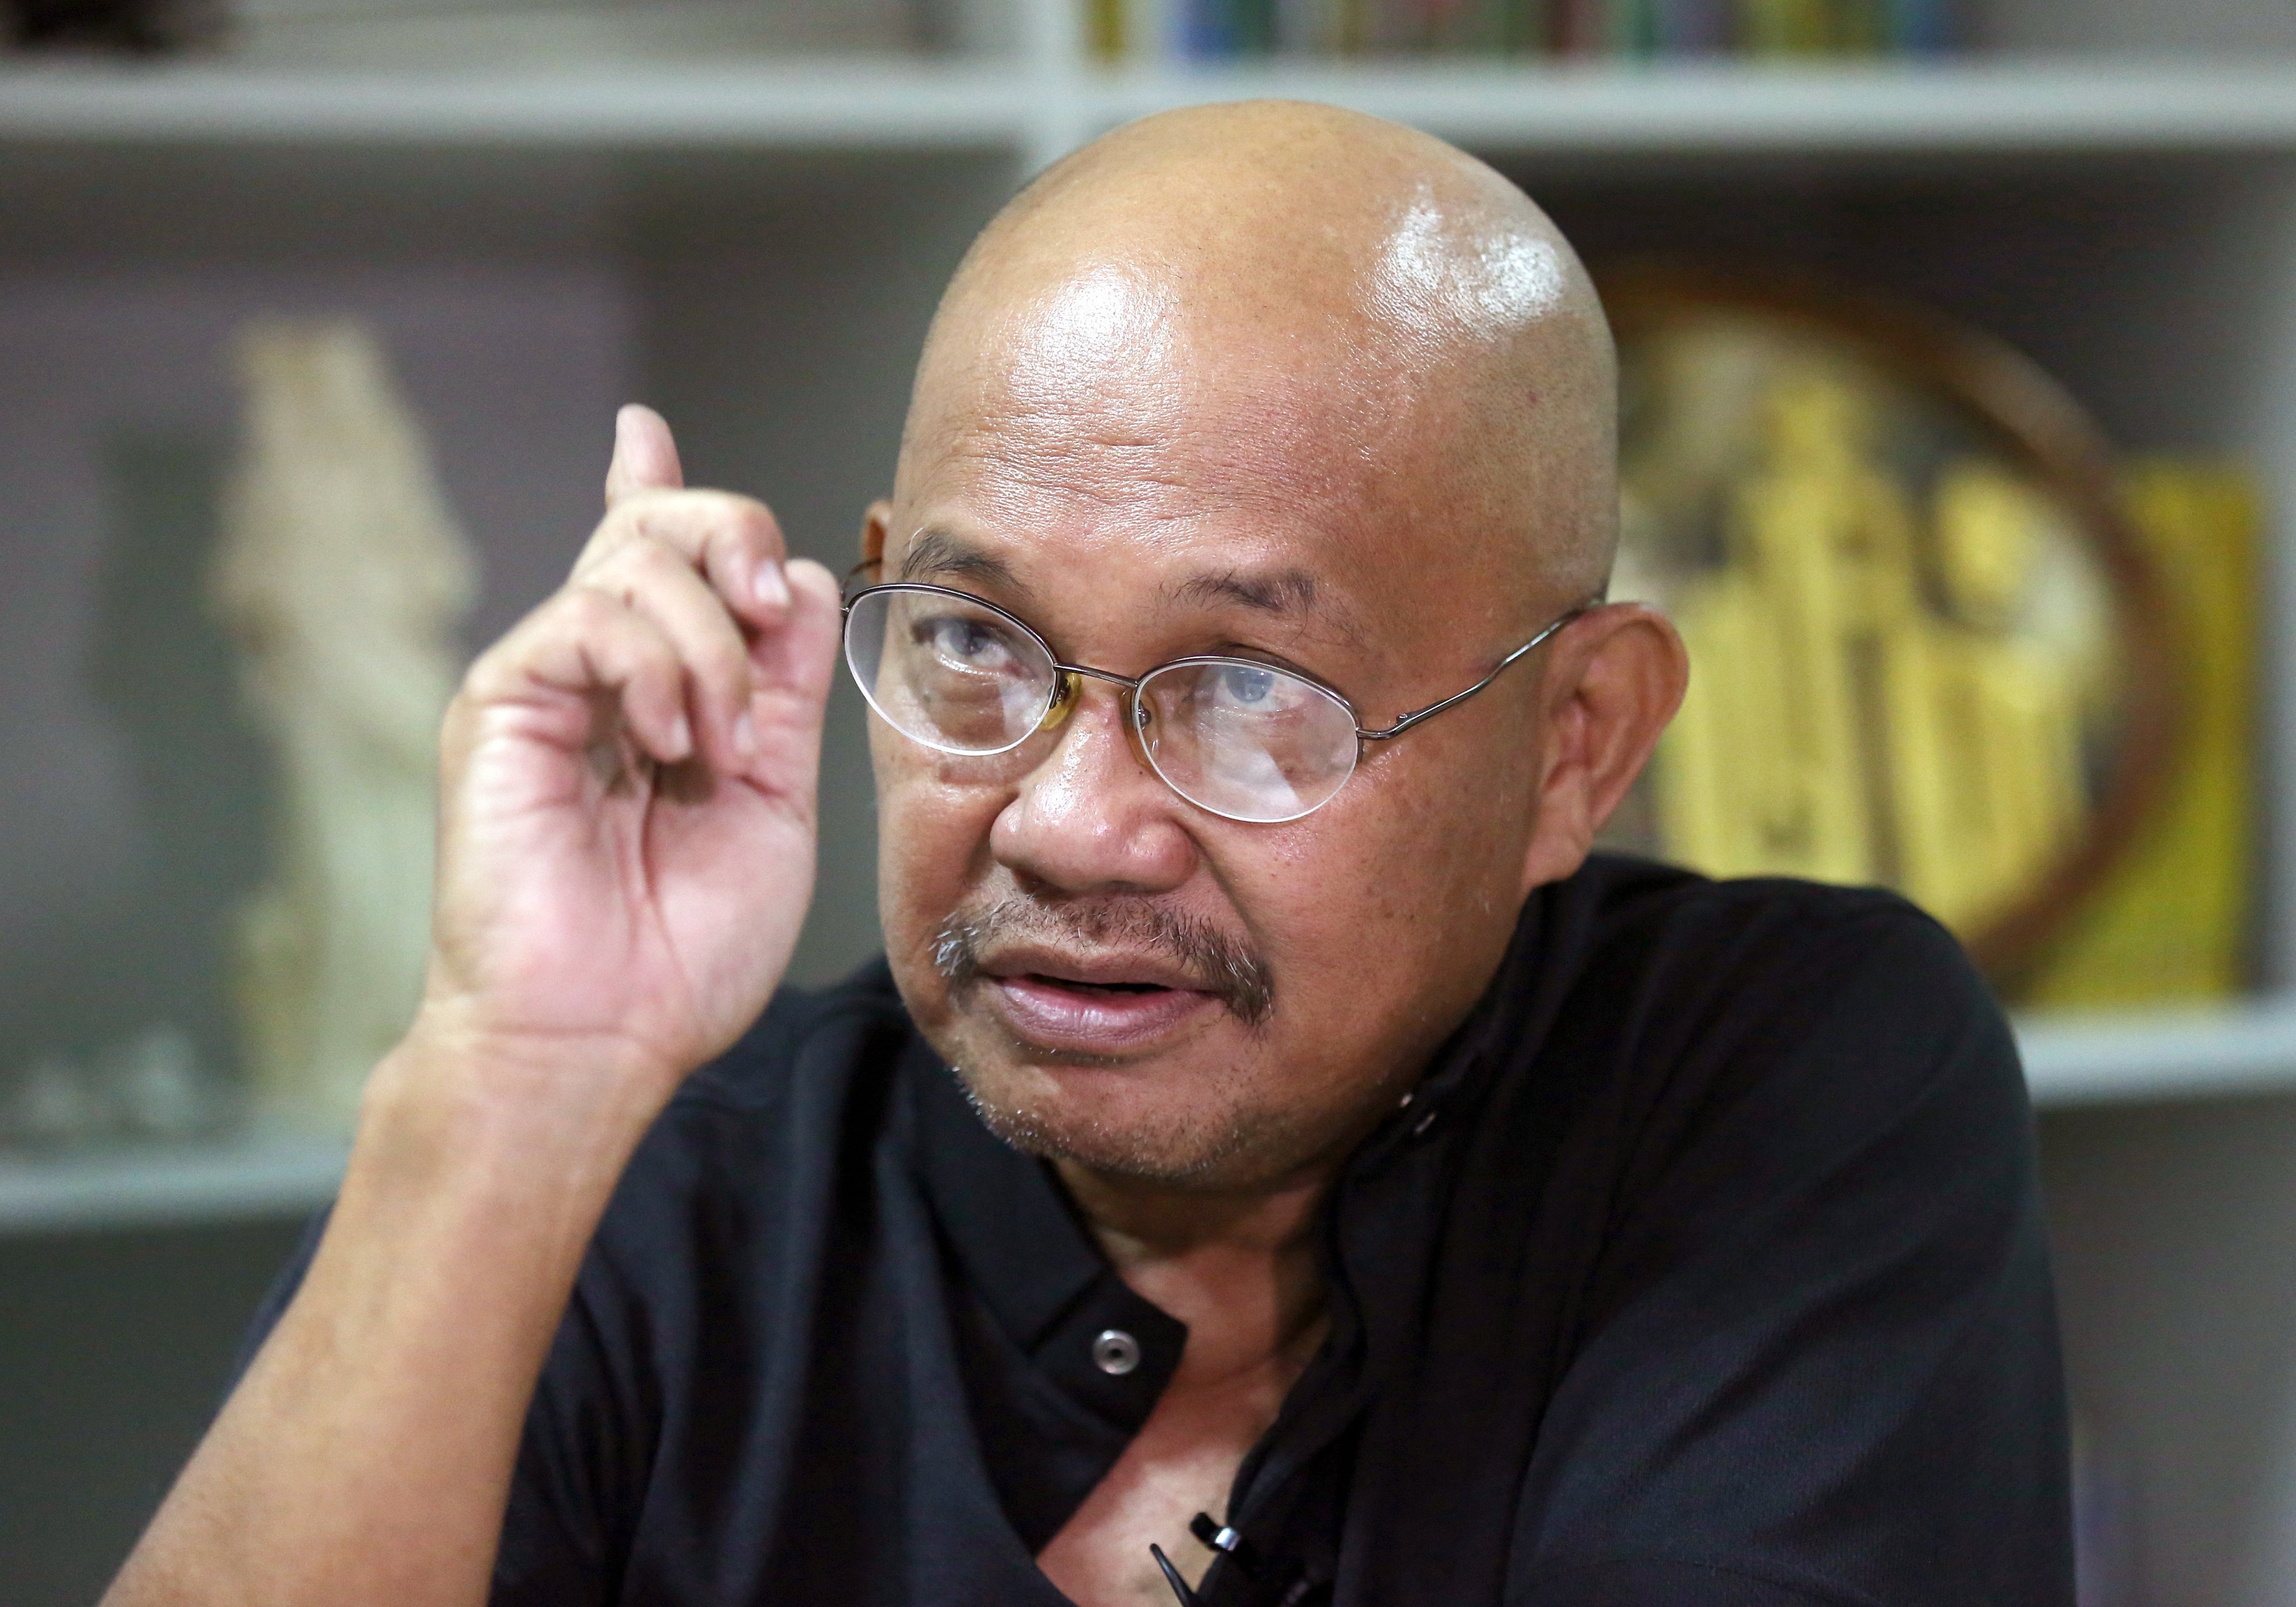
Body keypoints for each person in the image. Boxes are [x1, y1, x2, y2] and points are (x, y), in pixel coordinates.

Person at [104, 101, 2072, 1607]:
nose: (1063, 819)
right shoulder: (650, 1192)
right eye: (976, 643)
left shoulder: (1769, 1075)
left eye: (1248, 687)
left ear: (1577, 746)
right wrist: (510, 1078)